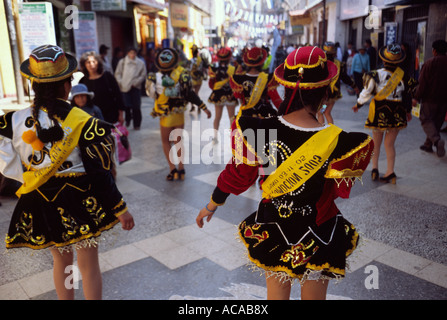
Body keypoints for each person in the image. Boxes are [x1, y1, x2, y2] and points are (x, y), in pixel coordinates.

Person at [196, 46, 373, 300]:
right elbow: (338, 189)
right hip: (319, 230)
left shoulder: (260, 130)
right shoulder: (342, 142)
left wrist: (212, 204)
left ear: (285, 87)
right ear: (324, 91)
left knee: (276, 296)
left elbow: (239, 175)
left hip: (275, 226)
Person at [0, 44, 134, 300]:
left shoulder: (13, 121)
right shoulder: (85, 121)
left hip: (42, 198)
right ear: (66, 86)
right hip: (80, 198)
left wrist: (26, 176)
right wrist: (120, 208)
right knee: (88, 262)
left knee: (60, 261)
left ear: (33, 84)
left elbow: (6, 161)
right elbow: (99, 172)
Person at [146, 48, 211, 181]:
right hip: (179, 114)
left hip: (165, 114)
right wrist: (203, 107)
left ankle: (172, 169)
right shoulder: (182, 74)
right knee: (178, 141)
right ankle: (181, 169)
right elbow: (190, 94)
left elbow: (151, 94)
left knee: (165, 141)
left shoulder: (154, 77)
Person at [353, 43, 413, 183]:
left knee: (376, 143)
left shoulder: (375, 75)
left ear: (383, 59)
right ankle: (390, 172)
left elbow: (367, 92)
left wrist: (358, 104)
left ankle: (374, 169)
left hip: (379, 111)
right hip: (397, 112)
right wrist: (408, 111)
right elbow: (408, 96)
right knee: (389, 145)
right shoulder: (403, 76)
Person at [412, 40, 447, 157]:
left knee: (426, 119)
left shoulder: (429, 63)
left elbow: (422, 84)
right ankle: (428, 144)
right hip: (444, 100)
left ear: (434, 51)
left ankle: (436, 141)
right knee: (436, 122)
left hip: (430, 98)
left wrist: (416, 97)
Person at [230, 47, 282, 119]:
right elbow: (275, 99)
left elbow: (241, 99)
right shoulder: (268, 78)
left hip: (247, 116)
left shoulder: (239, 79)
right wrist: (287, 112)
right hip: (265, 115)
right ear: (262, 62)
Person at [79, 51, 125, 125]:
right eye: (88, 62)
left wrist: (121, 115)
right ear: (84, 64)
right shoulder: (83, 81)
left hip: (110, 115)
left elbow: (118, 96)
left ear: (98, 62)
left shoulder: (107, 76)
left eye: (94, 61)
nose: (92, 64)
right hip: (91, 118)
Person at [319, 42, 359, 124]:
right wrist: (354, 86)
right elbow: (345, 77)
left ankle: (321, 131)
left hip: (324, 95)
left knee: (321, 112)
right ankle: (331, 132)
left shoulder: (321, 63)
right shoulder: (338, 64)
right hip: (333, 93)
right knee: (327, 113)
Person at [208, 47, 238, 142]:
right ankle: (233, 138)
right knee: (232, 118)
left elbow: (211, 83)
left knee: (217, 117)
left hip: (218, 95)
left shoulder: (214, 67)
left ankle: (215, 137)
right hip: (230, 95)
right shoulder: (234, 68)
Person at [115, 47, 147, 130]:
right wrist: (121, 82)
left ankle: (137, 124)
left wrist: (136, 83)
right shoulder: (122, 62)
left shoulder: (140, 63)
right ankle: (128, 119)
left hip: (135, 87)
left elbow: (143, 75)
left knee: (136, 107)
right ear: (128, 53)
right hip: (125, 87)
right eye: (131, 53)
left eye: (134, 53)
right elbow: (117, 74)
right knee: (126, 106)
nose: (132, 55)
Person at [189, 44, 209, 112]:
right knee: (196, 93)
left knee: (191, 94)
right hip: (199, 79)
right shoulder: (200, 59)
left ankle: (192, 107)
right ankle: (199, 107)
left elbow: (190, 69)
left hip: (192, 79)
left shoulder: (191, 60)